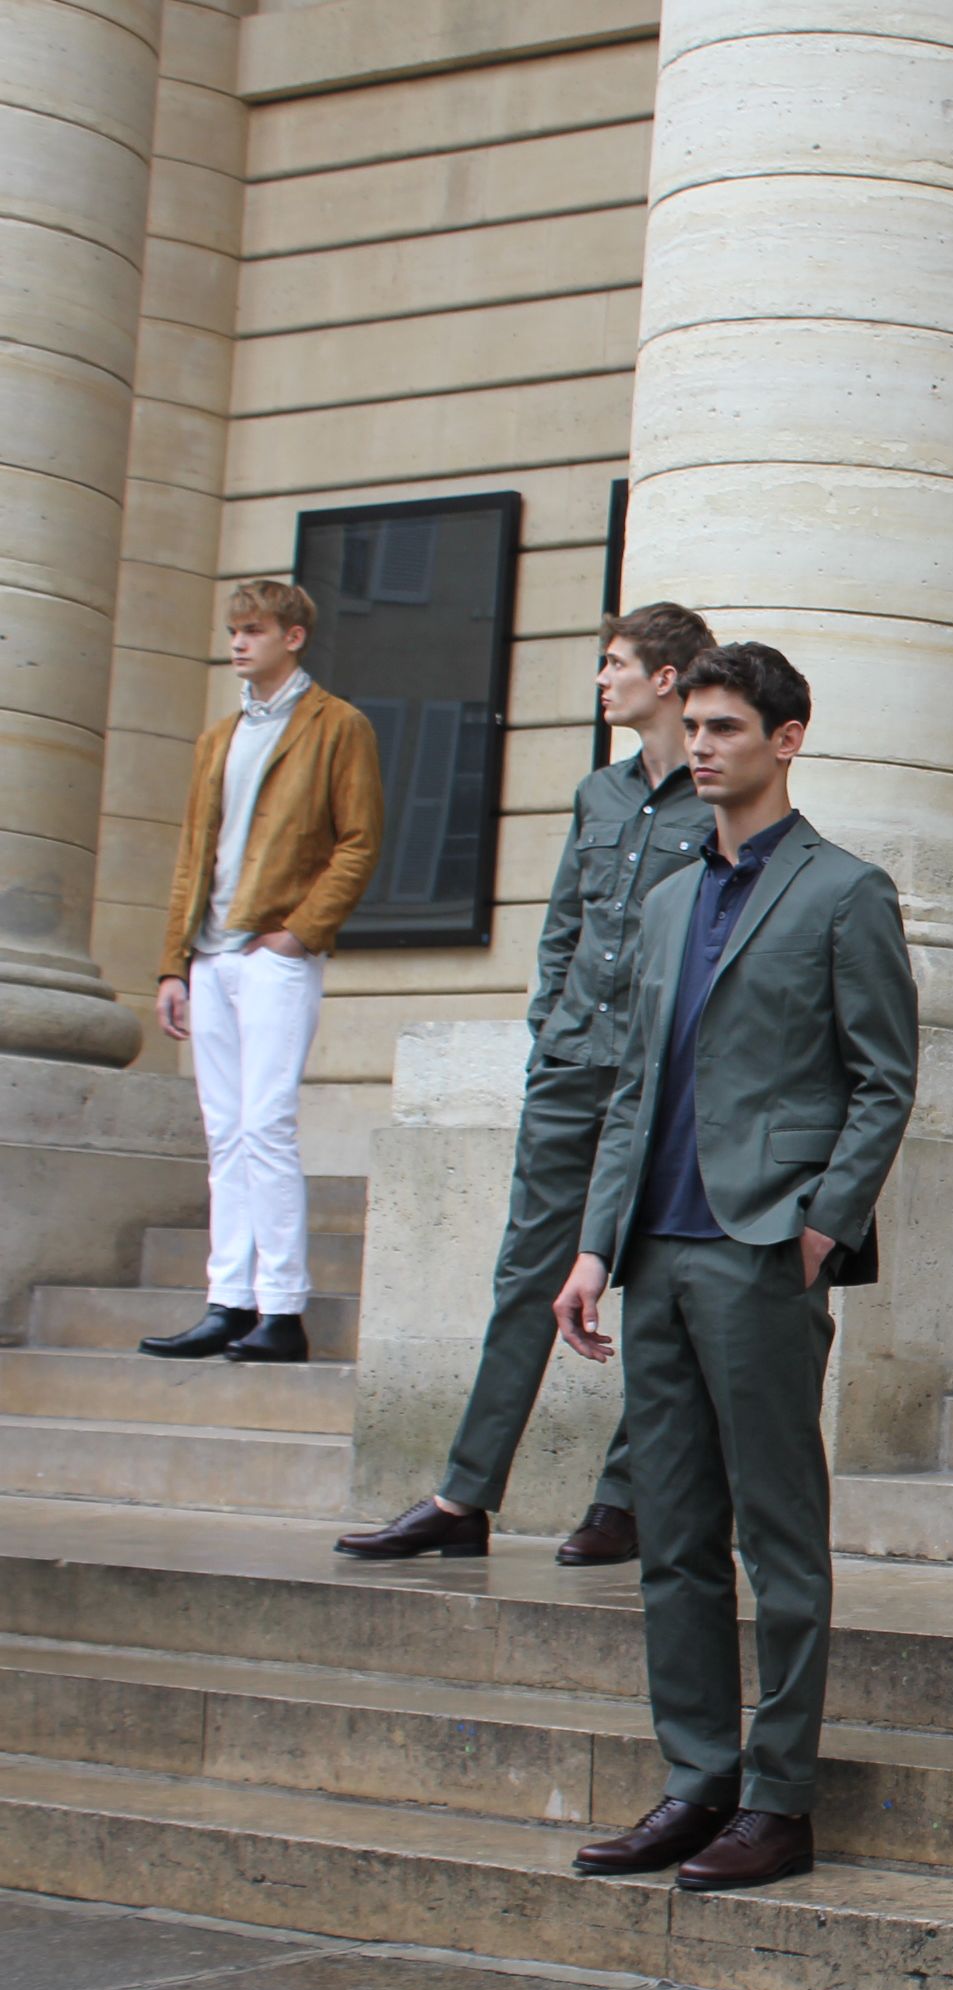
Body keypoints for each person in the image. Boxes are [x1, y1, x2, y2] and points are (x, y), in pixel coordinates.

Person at [551, 642, 916, 1892]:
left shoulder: (844, 891)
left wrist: (821, 1226)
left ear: (786, 738)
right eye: (694, 726)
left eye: (725, 729)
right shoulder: (666, 901)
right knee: (672, 1538)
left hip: (762, 1251)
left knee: (780, 1538)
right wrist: (594, 1247)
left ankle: (779, 1800)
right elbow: (634, 1088)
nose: (700, 747)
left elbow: (883, 1079)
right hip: (655, 1253)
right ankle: (695, 1781)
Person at [337, 604, 720, 1568]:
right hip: (570, 1067)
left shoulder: (718, 796)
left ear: (665, 678)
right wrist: (549, 1027)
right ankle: (463, 1497)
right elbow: (562, 927)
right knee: (526, 1279)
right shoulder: (598, 794)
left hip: (663, 1082)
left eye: (615, 663)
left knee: (660, 1287)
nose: (602, 679)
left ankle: (624, 1501)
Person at [142, 582, 383, 1366]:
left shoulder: (337, 725)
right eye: (233, 632)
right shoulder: (219, 737)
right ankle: (228, 1302)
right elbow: (193, 856)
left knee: (266, 1125)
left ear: (293, 636)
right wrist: (174, 963)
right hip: (210, 958)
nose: (238, 644)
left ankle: (282, 1309)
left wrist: (299, 933)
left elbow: (359, 840)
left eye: (253, 630)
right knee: (225, 1132)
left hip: (274, 955)